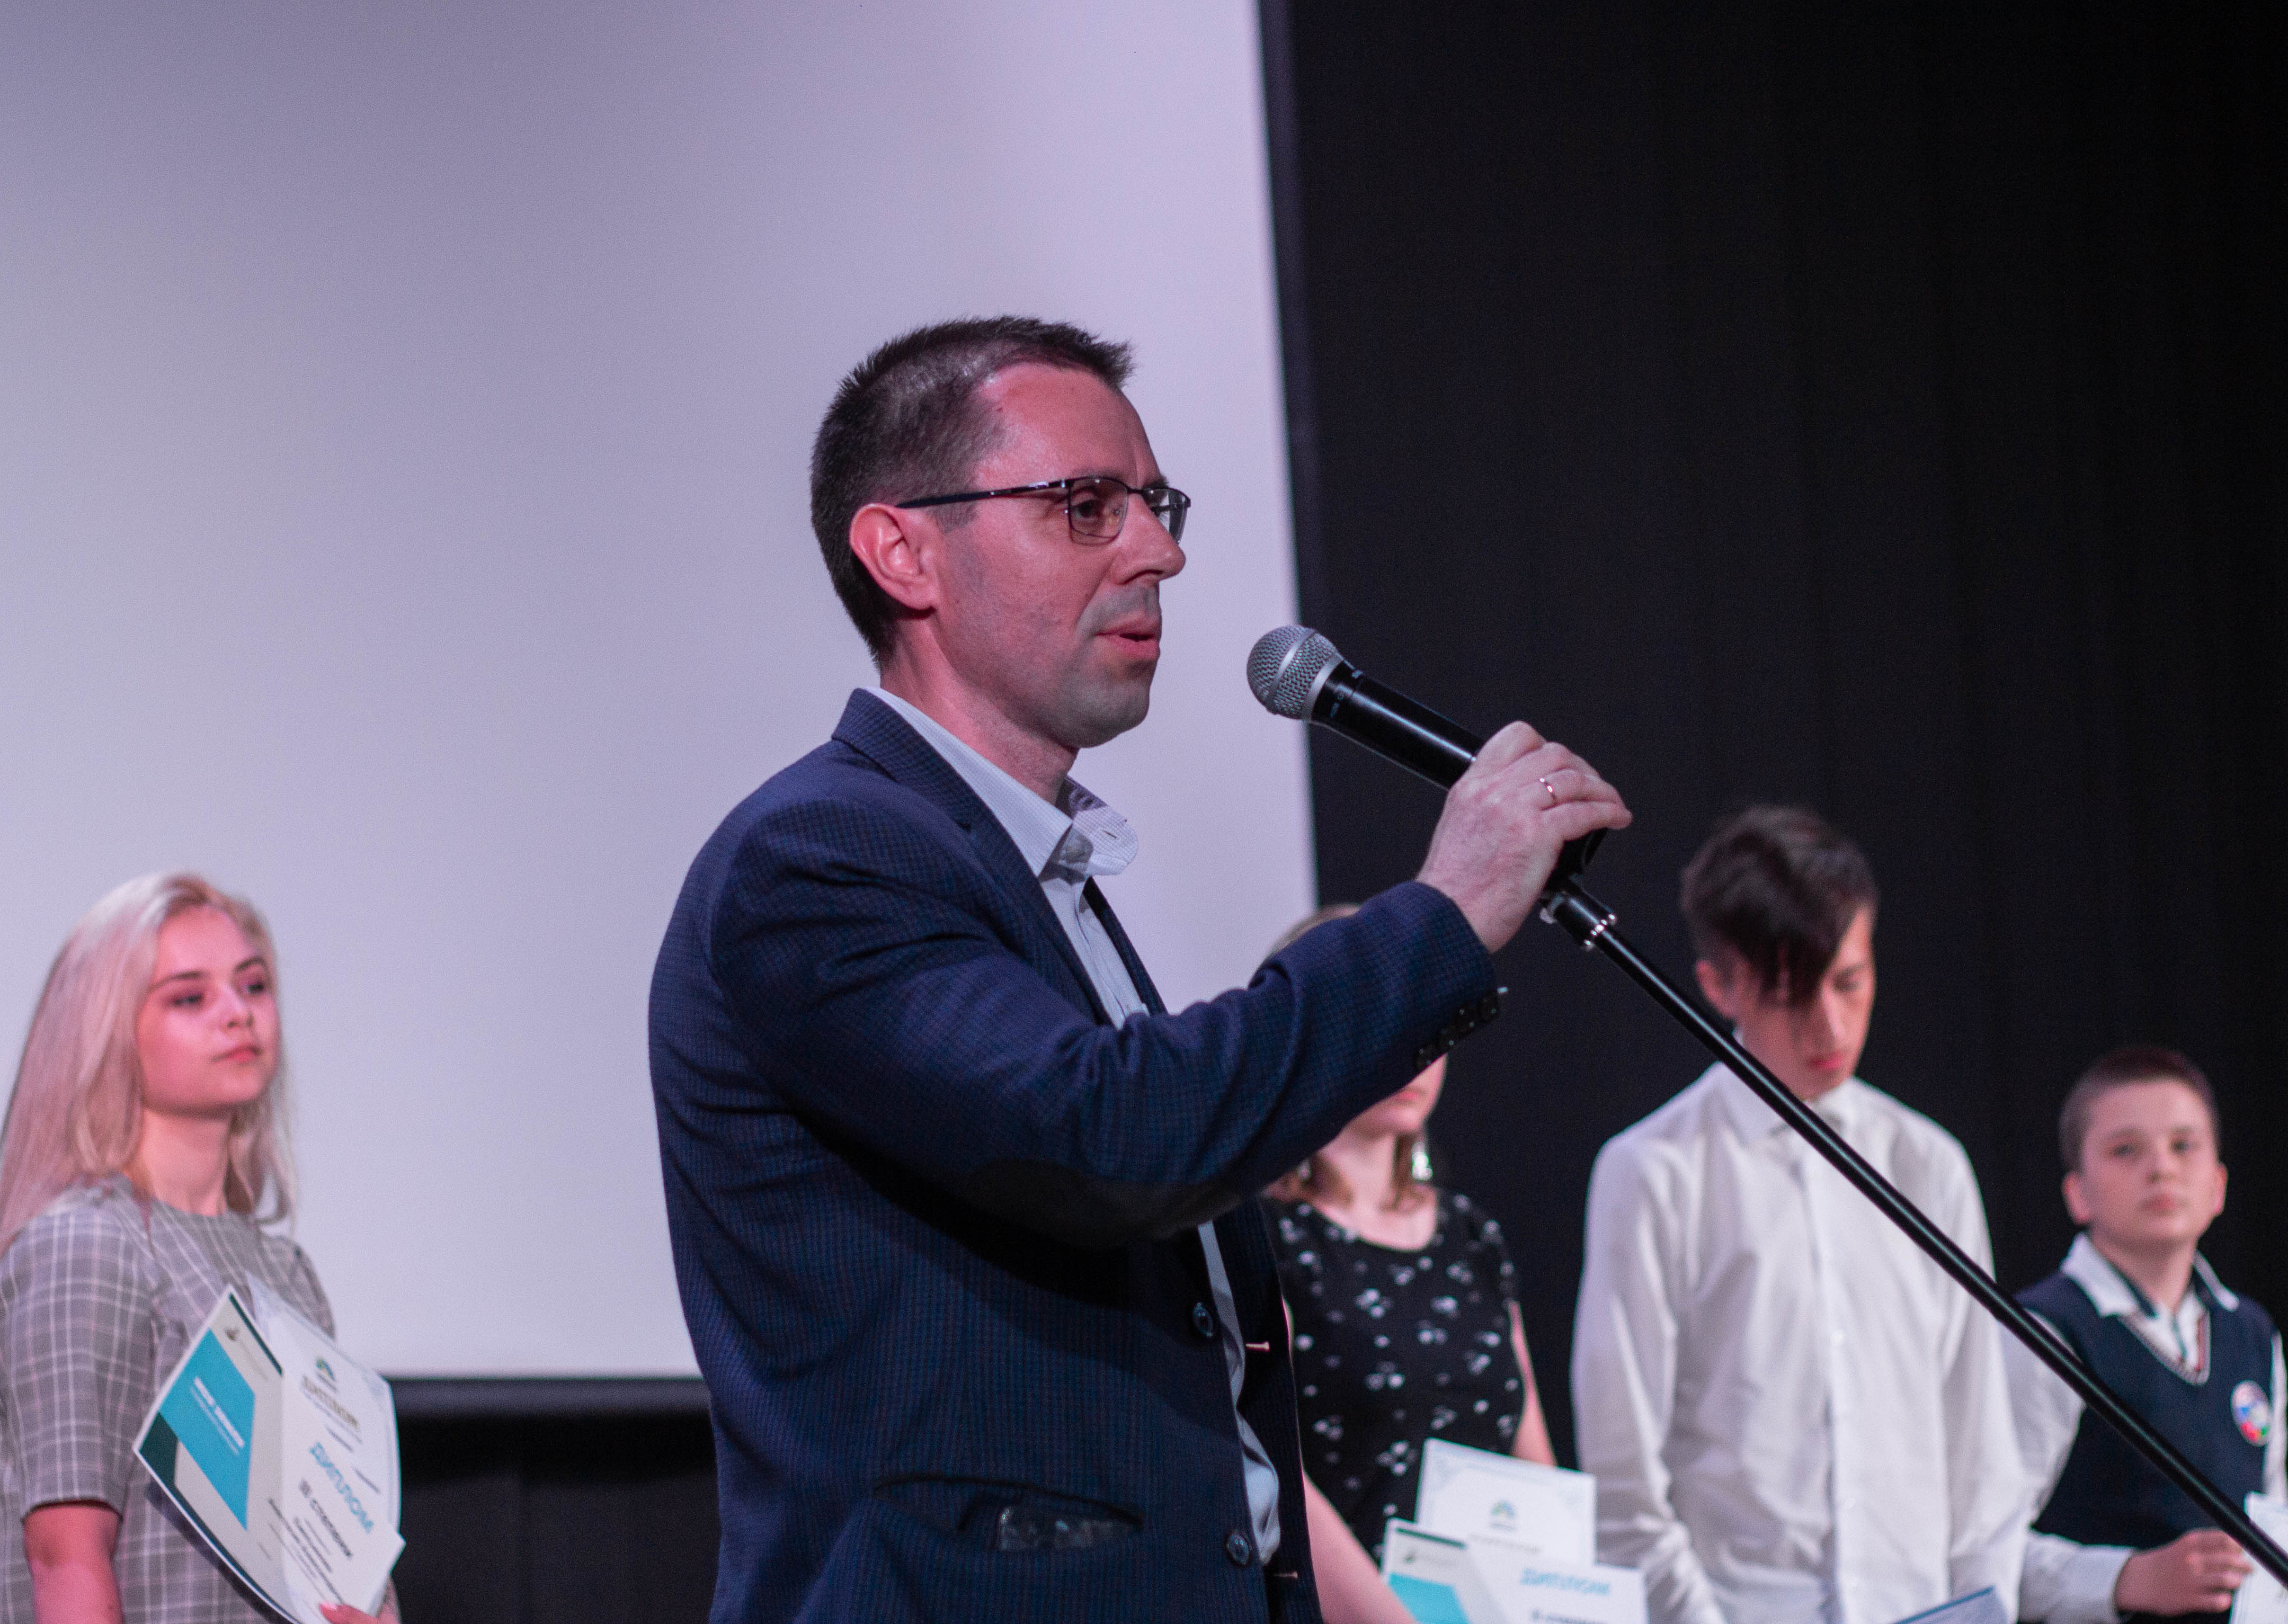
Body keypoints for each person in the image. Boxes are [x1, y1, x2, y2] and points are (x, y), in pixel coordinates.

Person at [648, 316, 1631, 1622]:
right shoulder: (822, 854)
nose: (1159, 551)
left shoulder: (1030, 871)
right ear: (902, 552)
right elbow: (1111, 1134)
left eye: (1156, 505)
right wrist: (1441, 913)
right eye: (1085, 505)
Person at [1573, 805, 2023, 1624]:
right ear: (1718, 985)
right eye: (1792, 993)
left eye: (1850, 982)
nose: (1831, 1025)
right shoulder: (1655, 1172)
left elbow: (1982, 1456)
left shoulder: (1928, 1165)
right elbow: (1623, 1479)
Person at [0, 872, 393, 1624]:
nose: (238, 1012)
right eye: (190, 998)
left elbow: (343, 1559)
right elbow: (67, 1560)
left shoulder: (288, 1273)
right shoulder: (87, 1249)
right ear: (107, 1031)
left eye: (253, 985)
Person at [2011, 1048, 2288, 1624]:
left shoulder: (2250, 1332)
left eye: (2183, 1146)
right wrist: (2124, 1578)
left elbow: (2268, 1539)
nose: (2161, 1169)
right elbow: (1980, 1549)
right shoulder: (2043, 1330)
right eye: (2125, 1150)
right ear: (2077, 1193)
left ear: (2217, 1186)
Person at [1262, 904, 1557, 1624]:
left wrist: (1562, 1597)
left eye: (1428, 1017)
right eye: (1381, 1019)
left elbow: (1536, 1471)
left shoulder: (1469, 1234)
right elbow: (1276, 1475)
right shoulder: (1268, 1237)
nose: (1415, 1048)